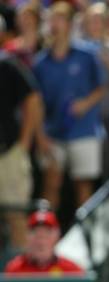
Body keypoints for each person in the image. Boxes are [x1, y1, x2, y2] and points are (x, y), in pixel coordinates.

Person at [33, 1, 105, 208]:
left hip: (84, 130)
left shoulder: (87, 55)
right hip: (52, 132)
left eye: (61, 19)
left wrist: (85, 104)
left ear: (71, 23)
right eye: (52, 19)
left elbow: (102, 87)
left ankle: (84, 238)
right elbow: (35, 103)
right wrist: (41, 136)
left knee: (83, 185)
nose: (56, 24)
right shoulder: (40, 62)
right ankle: (47, 232)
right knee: (51, 183)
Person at [0, 51, 41, 250]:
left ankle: (20, 278)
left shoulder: (7, 65)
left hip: (9, 154)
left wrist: (24, 143)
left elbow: (32, 99)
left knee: (16, 217)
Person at [4, 209, 83, 275]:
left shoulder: (71, 270)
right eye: (36, 233)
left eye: (47, 233)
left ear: (57, 236)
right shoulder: (14, 269)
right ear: (27, 237)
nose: (41, 240)